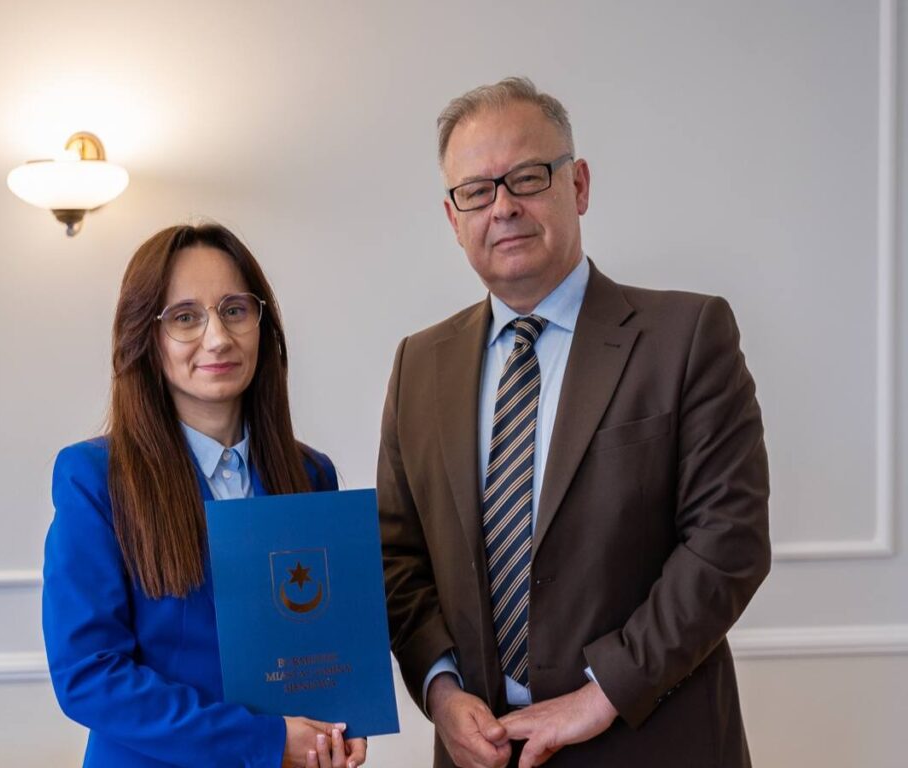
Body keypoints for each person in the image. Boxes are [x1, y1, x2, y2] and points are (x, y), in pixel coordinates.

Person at [378, 77, 770, 768]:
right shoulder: (418, 365)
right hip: (483, 752)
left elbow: (727, 542)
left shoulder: (686, 335)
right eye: (477, 191)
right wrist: (441, 692)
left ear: (578, 185)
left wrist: (601, 694)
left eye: (528, 177)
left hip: (651, 741)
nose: (504, 207)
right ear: (453, 218)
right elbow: (396, 558)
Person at [43, 223, 368, 768]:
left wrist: (342, 723)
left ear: (262, 324)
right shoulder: (93, 478)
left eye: (234, 310)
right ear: (146, 337)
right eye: (185, 317)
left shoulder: (311, 473)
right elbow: (89, 676)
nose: (217, 338)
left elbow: (320, 650)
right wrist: (264, 741)